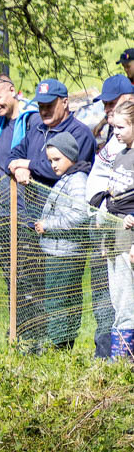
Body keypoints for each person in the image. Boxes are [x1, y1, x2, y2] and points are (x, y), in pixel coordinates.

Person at [34, 132, 93, 351]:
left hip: (65, 254)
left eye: (57, 159)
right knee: (58, 300)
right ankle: (62, 345)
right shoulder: (67, 178)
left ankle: (59, 346)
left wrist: (48, 225)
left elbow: (80, 214)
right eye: (50, 160)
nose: (53, 165)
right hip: (57, 252)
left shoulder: (77, 180)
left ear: (70, 155)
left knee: (59, 301)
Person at [88, 99, 134, 358]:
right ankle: (120, 358)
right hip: (115, 238)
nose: (116, 132)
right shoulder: (119, 155)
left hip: (131, 239)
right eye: (114, 127)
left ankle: (124, 359)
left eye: (122, 127)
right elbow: (113, 197)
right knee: (118, 299)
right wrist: (106, 239)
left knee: (128, 300)